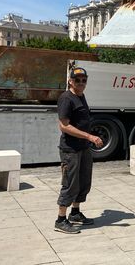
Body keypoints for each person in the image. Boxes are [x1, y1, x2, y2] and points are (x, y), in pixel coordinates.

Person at [54, 67, 104, 234]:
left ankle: (75, 213)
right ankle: (61, 219)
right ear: (70, 81)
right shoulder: (66, 98)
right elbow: (64, 126)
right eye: (77, 80)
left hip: (83, 148)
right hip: (71, 149)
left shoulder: (80, 96)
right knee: (70, 183)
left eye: (84, 80)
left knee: (83, 182)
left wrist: (88, 139)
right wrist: (89, 137)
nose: (81, 83)